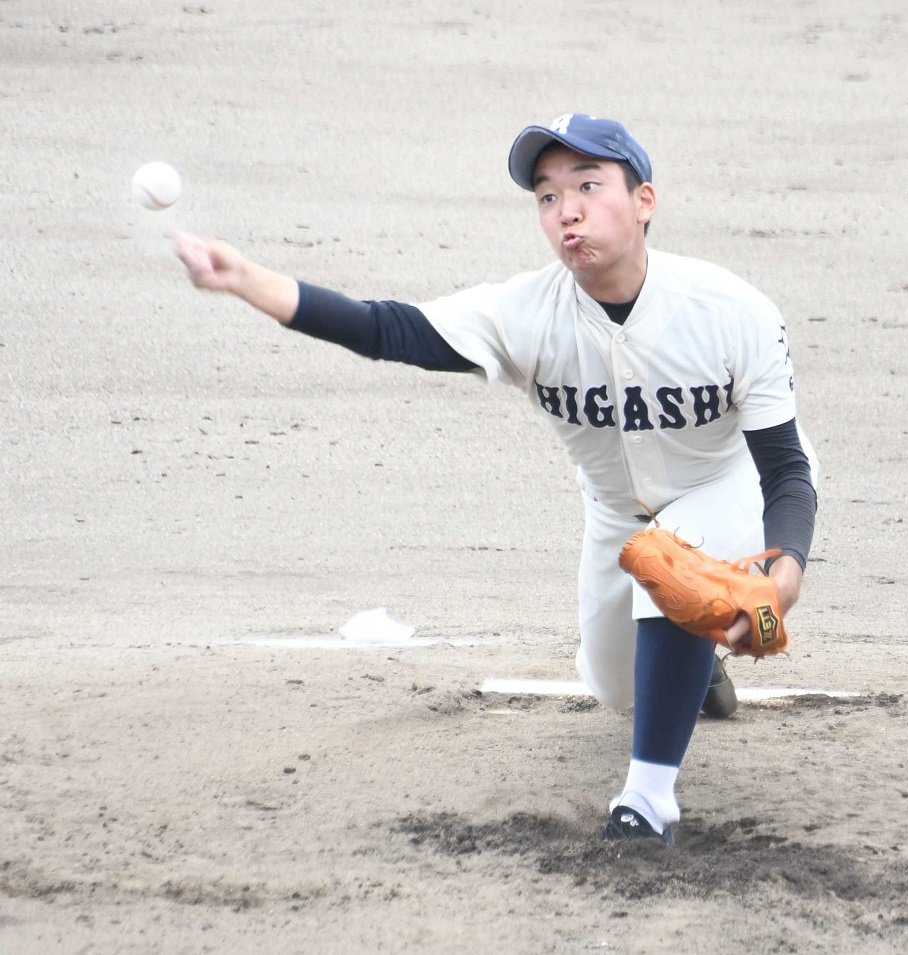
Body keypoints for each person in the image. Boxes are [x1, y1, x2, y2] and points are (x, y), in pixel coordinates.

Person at [172, 113, 818, 845]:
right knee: (615, 683)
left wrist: (787, 564)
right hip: (615, 511)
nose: (566, 208)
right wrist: (249, 281)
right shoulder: (527, 313)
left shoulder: (732, 311)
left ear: (644, 201)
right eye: (546, 196)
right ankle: (695, 671)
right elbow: (391, 329)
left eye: (588, 184)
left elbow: (787, 468)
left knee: (666, 561)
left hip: (727, 484)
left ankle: (649, 799)